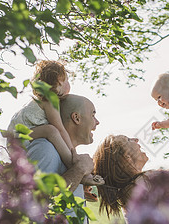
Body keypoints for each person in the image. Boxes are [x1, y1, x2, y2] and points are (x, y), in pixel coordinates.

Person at [7, 60, 102, 189]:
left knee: (51, 131)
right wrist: (75, 158)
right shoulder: (50, 100)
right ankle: (73, 164)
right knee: (51, 131)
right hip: (19, 138)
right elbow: (60, 130)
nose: (69, 85)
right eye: (67, 80)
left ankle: (78, 170)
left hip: (18, 139)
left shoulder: (44, 100)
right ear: (59, 82)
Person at [26, 93, 101, 224]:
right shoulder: (45, 148)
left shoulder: (69, 158)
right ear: (76, 118)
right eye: (93, 115)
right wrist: (79, 170)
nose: (97, 122)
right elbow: (41, 205)